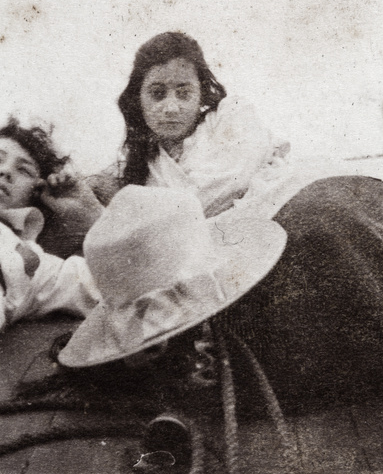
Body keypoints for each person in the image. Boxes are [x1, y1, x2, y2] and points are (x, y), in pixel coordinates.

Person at [53, 32, 383, 413]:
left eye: (183, 92)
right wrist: (74, 190)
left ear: (201, 93)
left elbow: (224, 185)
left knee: (322, 231)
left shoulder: (231, 117)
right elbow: (130, 217)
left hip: (301, 196)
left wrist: (155, 217)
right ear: (137, 101)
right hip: (254, 246)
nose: (171, 107)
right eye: (157, 94)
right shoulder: (141, 168)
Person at [0, 117, 101, 330]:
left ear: (34, 194)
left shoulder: (29, 264)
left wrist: (94, 217)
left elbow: (108, 284)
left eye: (24, 170)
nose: (5, 171)